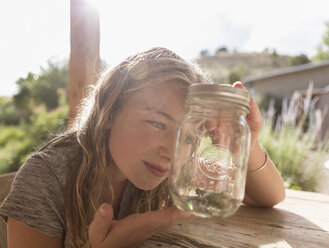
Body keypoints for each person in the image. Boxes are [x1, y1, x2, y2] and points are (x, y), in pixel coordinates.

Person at [0, 47, 285, 248]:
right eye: (157, 124)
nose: (172, 153)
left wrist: (246, 142)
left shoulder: (176, 167)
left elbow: (268, 197)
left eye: (186, 135)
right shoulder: (46, 179)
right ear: (108, 112)